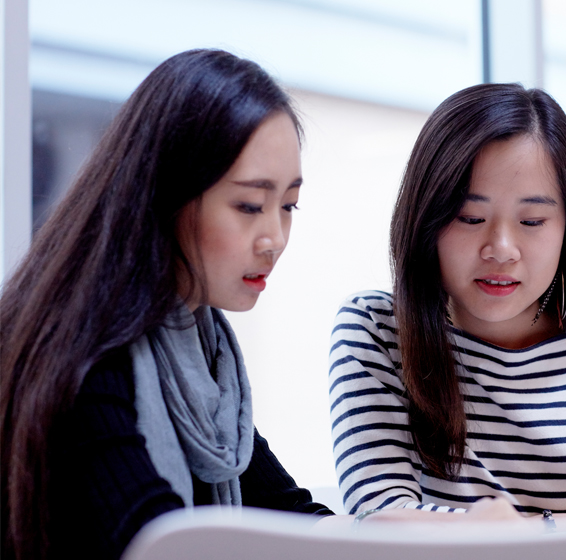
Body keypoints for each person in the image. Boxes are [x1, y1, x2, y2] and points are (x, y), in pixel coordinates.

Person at [0, 49, 333, 560]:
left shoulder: (201, 351)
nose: (275, 238)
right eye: (249, 205)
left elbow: (290, 516)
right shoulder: (84, 351)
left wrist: (406, 531)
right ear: (166, 194)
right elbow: (155, 543)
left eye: (287, 206)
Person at [329, 83, 566, 526]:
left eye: (532, 221)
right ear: (426, 219)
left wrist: (534, 535)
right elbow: (378, 513)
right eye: (470, 218)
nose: (501, 248)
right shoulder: (378, 330)